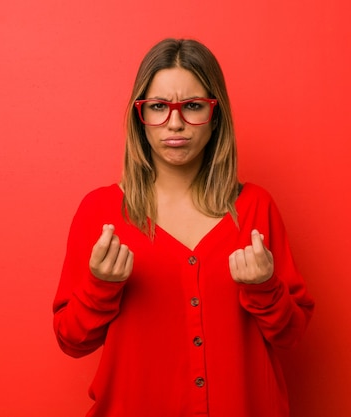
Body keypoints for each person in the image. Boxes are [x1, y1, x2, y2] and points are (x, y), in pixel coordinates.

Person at [53, 38, 314, 417]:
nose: (175, 123)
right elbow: (71, 340)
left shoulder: (255, 207)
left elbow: (291, 335)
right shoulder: (101, 211)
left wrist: (265, 289)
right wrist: (100, 286)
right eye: (158, 107)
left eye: (192, 106)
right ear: (139, 117)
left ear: (216, 114)